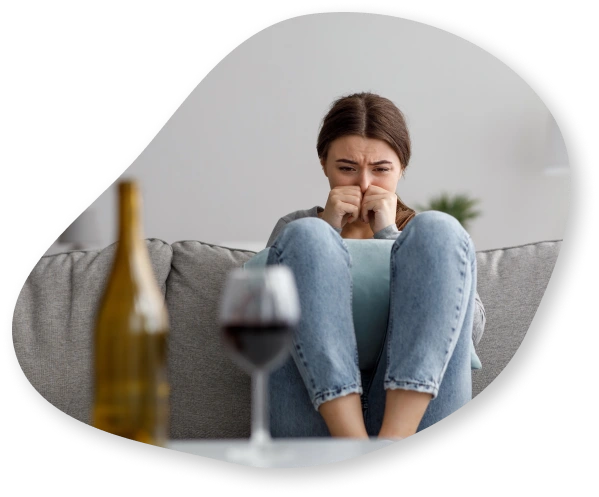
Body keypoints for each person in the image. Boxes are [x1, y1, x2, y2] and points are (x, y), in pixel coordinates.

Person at [264, 92, 486, 440]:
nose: (365, 184)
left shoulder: (422, 237)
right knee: (306, 235)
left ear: (402, 169)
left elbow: (468, 333)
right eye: (347, 169)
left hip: (419, 419)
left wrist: (389, 236)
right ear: (324, 164)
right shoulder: (294, 228)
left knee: (439, 228)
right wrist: (329, 230)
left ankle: (390, 446)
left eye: (381, 169)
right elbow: (262, 322)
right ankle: (355, 450)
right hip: (311, 413)